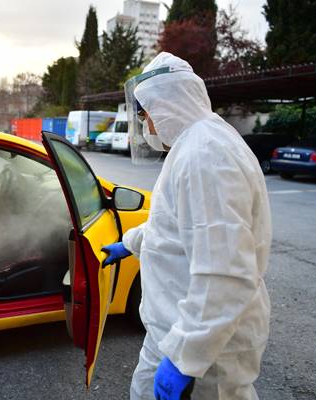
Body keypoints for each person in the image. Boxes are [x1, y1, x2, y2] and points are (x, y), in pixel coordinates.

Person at [103, 52, 272, 400]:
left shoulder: (205, 156)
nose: (145, 125)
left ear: (167, 105)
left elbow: (225, 273)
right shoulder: (198, 144)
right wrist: (132, 242)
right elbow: (175, 225)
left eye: (145, 114)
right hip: (180, 332)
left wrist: (186, 357)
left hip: (206, 351)